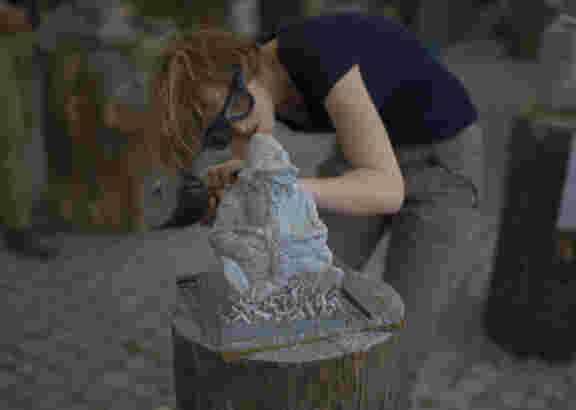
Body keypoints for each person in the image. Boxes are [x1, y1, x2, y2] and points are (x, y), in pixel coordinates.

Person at [150, 11, 484, 409]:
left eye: (236, 107)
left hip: (440, 164)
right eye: (220, 130)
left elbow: (386, 189)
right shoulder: (253, 96)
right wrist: (229, 198)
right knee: (294, 281)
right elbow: (257, 186)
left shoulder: (316, 52)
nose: (237, 131)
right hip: (363, 151)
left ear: (245, 65)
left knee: (399, 341)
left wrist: (284, 187)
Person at [0, 0, 62, 259]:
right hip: (8, 25)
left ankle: (19, 219)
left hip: (24, 30)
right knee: (9, 135)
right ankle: (17, 228)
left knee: (23, 136)